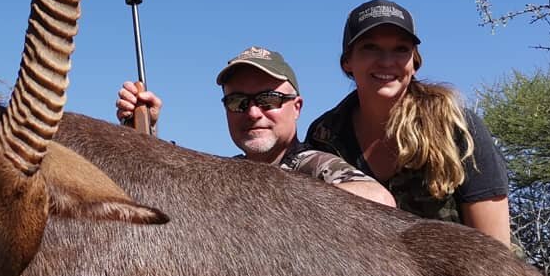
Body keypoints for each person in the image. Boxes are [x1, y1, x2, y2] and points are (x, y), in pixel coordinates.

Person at [304, 0, 511, 244]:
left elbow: (495, 247)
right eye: (370, 47)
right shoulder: (323, 135)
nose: (386, 61)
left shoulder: (457, 126)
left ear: (414, 62)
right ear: (347, 62)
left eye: (401, 49)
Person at [116, 47, 396, 206]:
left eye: (268, 99)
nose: (252, 112)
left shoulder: (314, 166)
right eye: (238, 101)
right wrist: (146, 133)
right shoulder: (227, 171)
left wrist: (264, 202)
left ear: (296, 107)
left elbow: (380, 200)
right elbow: (175, 185)